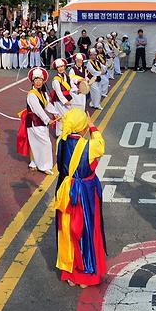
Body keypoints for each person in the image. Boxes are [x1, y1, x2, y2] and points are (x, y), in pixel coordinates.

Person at [54, 108, 107, 287]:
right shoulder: (88, 146)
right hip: (84, 192)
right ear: (82, 126)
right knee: (85, 230)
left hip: (66, 191)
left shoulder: (60, 142)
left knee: (68, 230)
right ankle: (85, 273)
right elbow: (100, 144)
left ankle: (69, 273)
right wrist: (93, 126)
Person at [16, 68, 56, 174]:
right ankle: (44, 166)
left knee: (37, 143)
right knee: (46, 143)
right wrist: (48, 120)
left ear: (43, 81)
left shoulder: (43, 93)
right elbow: (38, 110)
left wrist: (56, 113)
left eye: (40, 80)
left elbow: (47, 105)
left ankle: (35, 162)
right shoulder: (32, 94)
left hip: (40, 122)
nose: (38, 82)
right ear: (33, 81)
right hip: (34, 122)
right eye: (36, 80)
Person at [49, 59, 73, 135]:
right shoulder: (56, 80)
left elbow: (71, 86)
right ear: (56, 69)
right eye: (58, 67)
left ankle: (66, 131)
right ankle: (59, 133)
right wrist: (65, 101)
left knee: (67, 116)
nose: (61, 68)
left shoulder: (67, 76)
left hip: (68, 98)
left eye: (62, 66)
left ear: (65, 66)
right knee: (61, 117)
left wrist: (78, 89)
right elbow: (59, 93)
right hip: (59, 101)